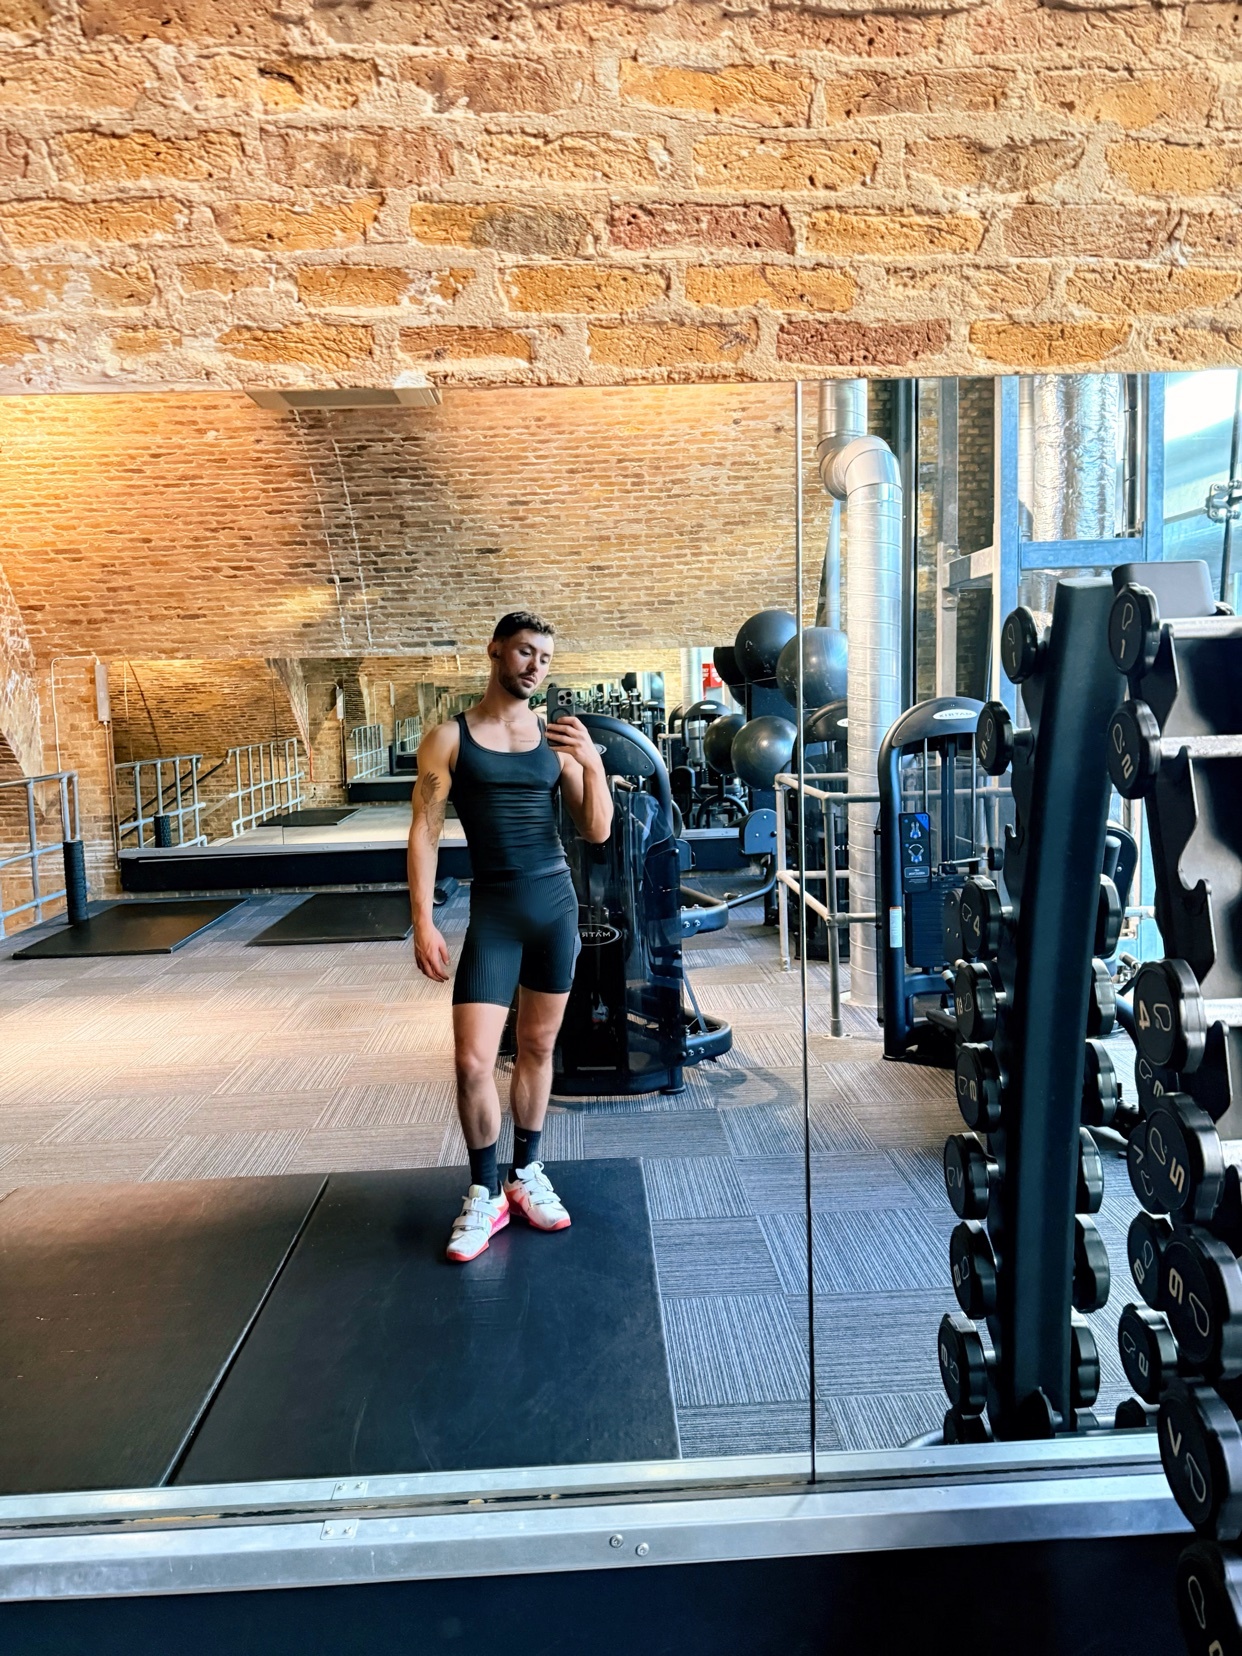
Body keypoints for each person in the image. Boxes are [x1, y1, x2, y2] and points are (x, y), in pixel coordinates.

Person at [408, 611, 613, 1263]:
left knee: (537, 1045)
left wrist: (591, 764)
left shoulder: (558, 740)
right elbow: (425, 831)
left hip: (553, 905)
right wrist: (421, 919)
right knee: (472, 1060)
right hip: (494, 910)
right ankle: (484, 1190)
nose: (535, 666)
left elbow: (598, 831)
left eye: (546, 658)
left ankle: (526, 1173)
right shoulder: (448, 739)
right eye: (525, 652)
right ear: (496, 651)